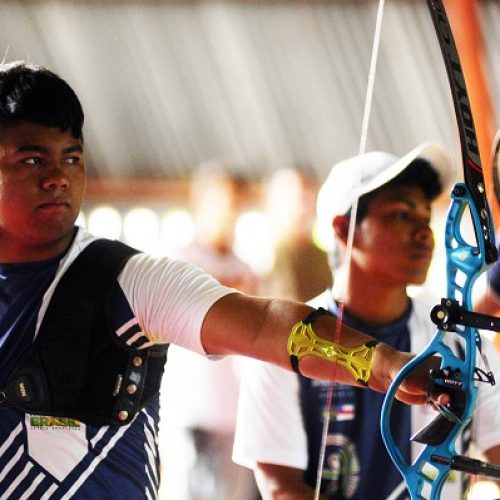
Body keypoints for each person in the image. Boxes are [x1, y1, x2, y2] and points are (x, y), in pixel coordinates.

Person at [0, 61, 434, 499]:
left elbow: (265, 324)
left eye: (72, 158)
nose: (59, 177)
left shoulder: (127, 279)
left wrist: (387, 365)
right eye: (33, 159)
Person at [233, 144, 500, 499]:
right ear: (344, 230)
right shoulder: (283, 346)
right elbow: (281, 488)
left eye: (425, 217)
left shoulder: (461, 343)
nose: (425, 233)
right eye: (402, 215)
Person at [160, 162, 259, 499]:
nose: (228, 213)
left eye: (235, 204)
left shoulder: (247, 272)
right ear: (200, 204)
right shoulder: (178, 262)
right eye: (221, 203)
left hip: (234, 417)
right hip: (189, 412)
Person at [260, 167, 331, 302]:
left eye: (309, 197)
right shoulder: (258, 261)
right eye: (298, 197)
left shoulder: (325, 261)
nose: (304, 208)